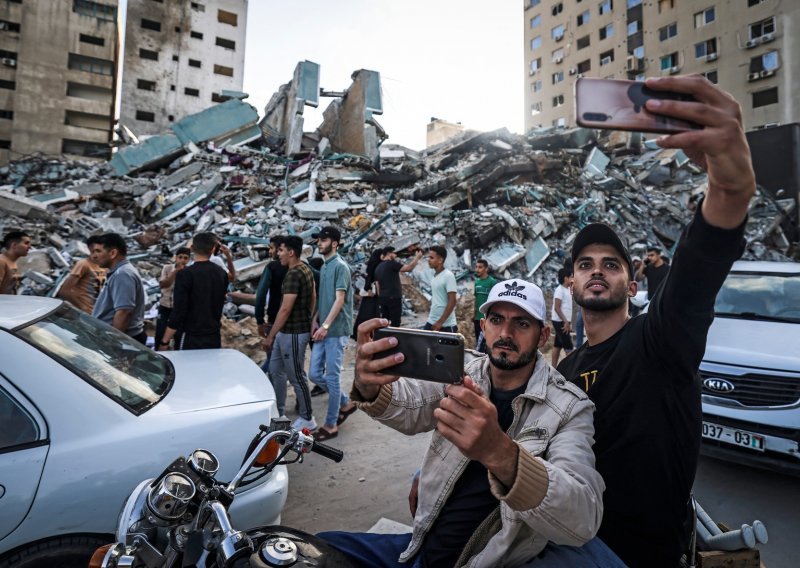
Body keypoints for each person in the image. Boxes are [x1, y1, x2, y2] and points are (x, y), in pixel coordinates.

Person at [558, 74, 756, 567]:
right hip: (571, 545)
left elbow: (700, 264)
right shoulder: (563, 374)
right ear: (570, 284)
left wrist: (729, 188)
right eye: (585, 265)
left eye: (611, 264)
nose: (597, 271)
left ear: (632, 279)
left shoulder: (659, 340)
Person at [319, 279, 607, 567]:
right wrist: (370, 387)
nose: (505, 333)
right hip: (419, 549)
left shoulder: (570, 407)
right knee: (313, 549)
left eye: (521, 323)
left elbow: (582, 516)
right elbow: (409, 406)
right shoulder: (463, 372)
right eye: (496, 320)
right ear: (483, 327)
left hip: (480, 562)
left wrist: (499, 452)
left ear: (542, 335)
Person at [309, 226, 357, 440]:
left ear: (335, 243)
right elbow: (325, 298)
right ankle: (346, 402)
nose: (320, 242)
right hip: (323, 328)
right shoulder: (326, 266)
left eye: (324, 239)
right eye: (319, 239)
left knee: (332, 376)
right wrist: (315, 319)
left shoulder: (340, 266)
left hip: (335, 330)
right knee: (314, 374)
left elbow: (339, 299)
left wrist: (325, 326)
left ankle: (331, 425)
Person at [264, 235, 317, 429]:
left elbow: (285, 309)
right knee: (276, 371)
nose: (278, 254)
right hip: (286, 332)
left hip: (293, 333)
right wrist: (310, 318)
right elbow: (313, 296)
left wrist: (270, 335)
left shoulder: (295, 273)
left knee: (296, 375)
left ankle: (307, 417)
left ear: (291, 252)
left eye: (281, 250)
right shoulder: (303, 268)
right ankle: (279, 414)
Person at [158, 234, 228, 351]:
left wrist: (164, 341)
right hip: (213, 335)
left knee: (187, 368)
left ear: (192, 249)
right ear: (212, 249)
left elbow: (179, 311)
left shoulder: (185, 275)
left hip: (190, 336)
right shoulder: (221, 273)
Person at [90, 233, 147, 344]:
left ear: (113, 253)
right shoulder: (120, 272)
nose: (94, 256)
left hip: (124, 340)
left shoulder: (122, 274)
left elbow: (124, 312)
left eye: (99, 251)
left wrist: (114, 342)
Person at [57, 235, 108, 314]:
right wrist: (83, 307)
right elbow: (65, 291)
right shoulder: (83, 264)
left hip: (96, 312)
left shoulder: (105, 267)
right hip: (83, 313)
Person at [374, 246, 423, 326]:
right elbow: (409, 268)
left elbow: (377, 286)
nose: (395, 255)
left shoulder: (378, 268)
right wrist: (417, 257)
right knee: (395, 322)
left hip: (383, 298)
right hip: (393, 298)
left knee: (385, 322)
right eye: (394, 253)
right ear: (389, 254)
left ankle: (385, 337)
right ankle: (394, 337)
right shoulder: (392, 264)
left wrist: (381, 297)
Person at [154, 246, 191, 347]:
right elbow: (163, 284)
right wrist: (175, 271)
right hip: (165, 305)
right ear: (176, 258)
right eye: (180, 257)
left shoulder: (189, 272)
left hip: (179, 309)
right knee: (160, 333)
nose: (182, 260)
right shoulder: (167, 268)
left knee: (178, 335)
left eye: (185, 258)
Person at [424, 245, 457, 333]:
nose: (428, 260)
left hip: (446, 325)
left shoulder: (448, 276)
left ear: (440, 260)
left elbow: (452, 301)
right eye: (428, 257)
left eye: (431, 257)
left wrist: (440, 322)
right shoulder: (435, 277)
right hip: (432, 320)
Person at [550, 268, 574, 366]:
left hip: (563, 321)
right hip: (560, 321)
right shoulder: (559, 290)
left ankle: (553, 368)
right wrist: (566, 322)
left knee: (558, 345)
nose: (573, 279)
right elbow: (557, 308)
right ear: (566, 278)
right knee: (569, 347)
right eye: (571, 277)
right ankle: (572, 370)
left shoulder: (568, 289)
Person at [472, 258, 496, 352]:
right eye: (476, 267)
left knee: (486, 342)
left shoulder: (492, 282)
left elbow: (494, 300)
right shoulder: (477, 282)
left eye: (480, 267)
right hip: (477, 318)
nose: (477, 269)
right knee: (479, 340)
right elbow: (476, 299)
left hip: (487, 318)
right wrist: (474, 313)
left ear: (486, 269)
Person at [0, 230, 31, 295]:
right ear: (14, 245)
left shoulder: (12, 262)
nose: (29, 247)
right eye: (26, 243)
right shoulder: (1, 262)